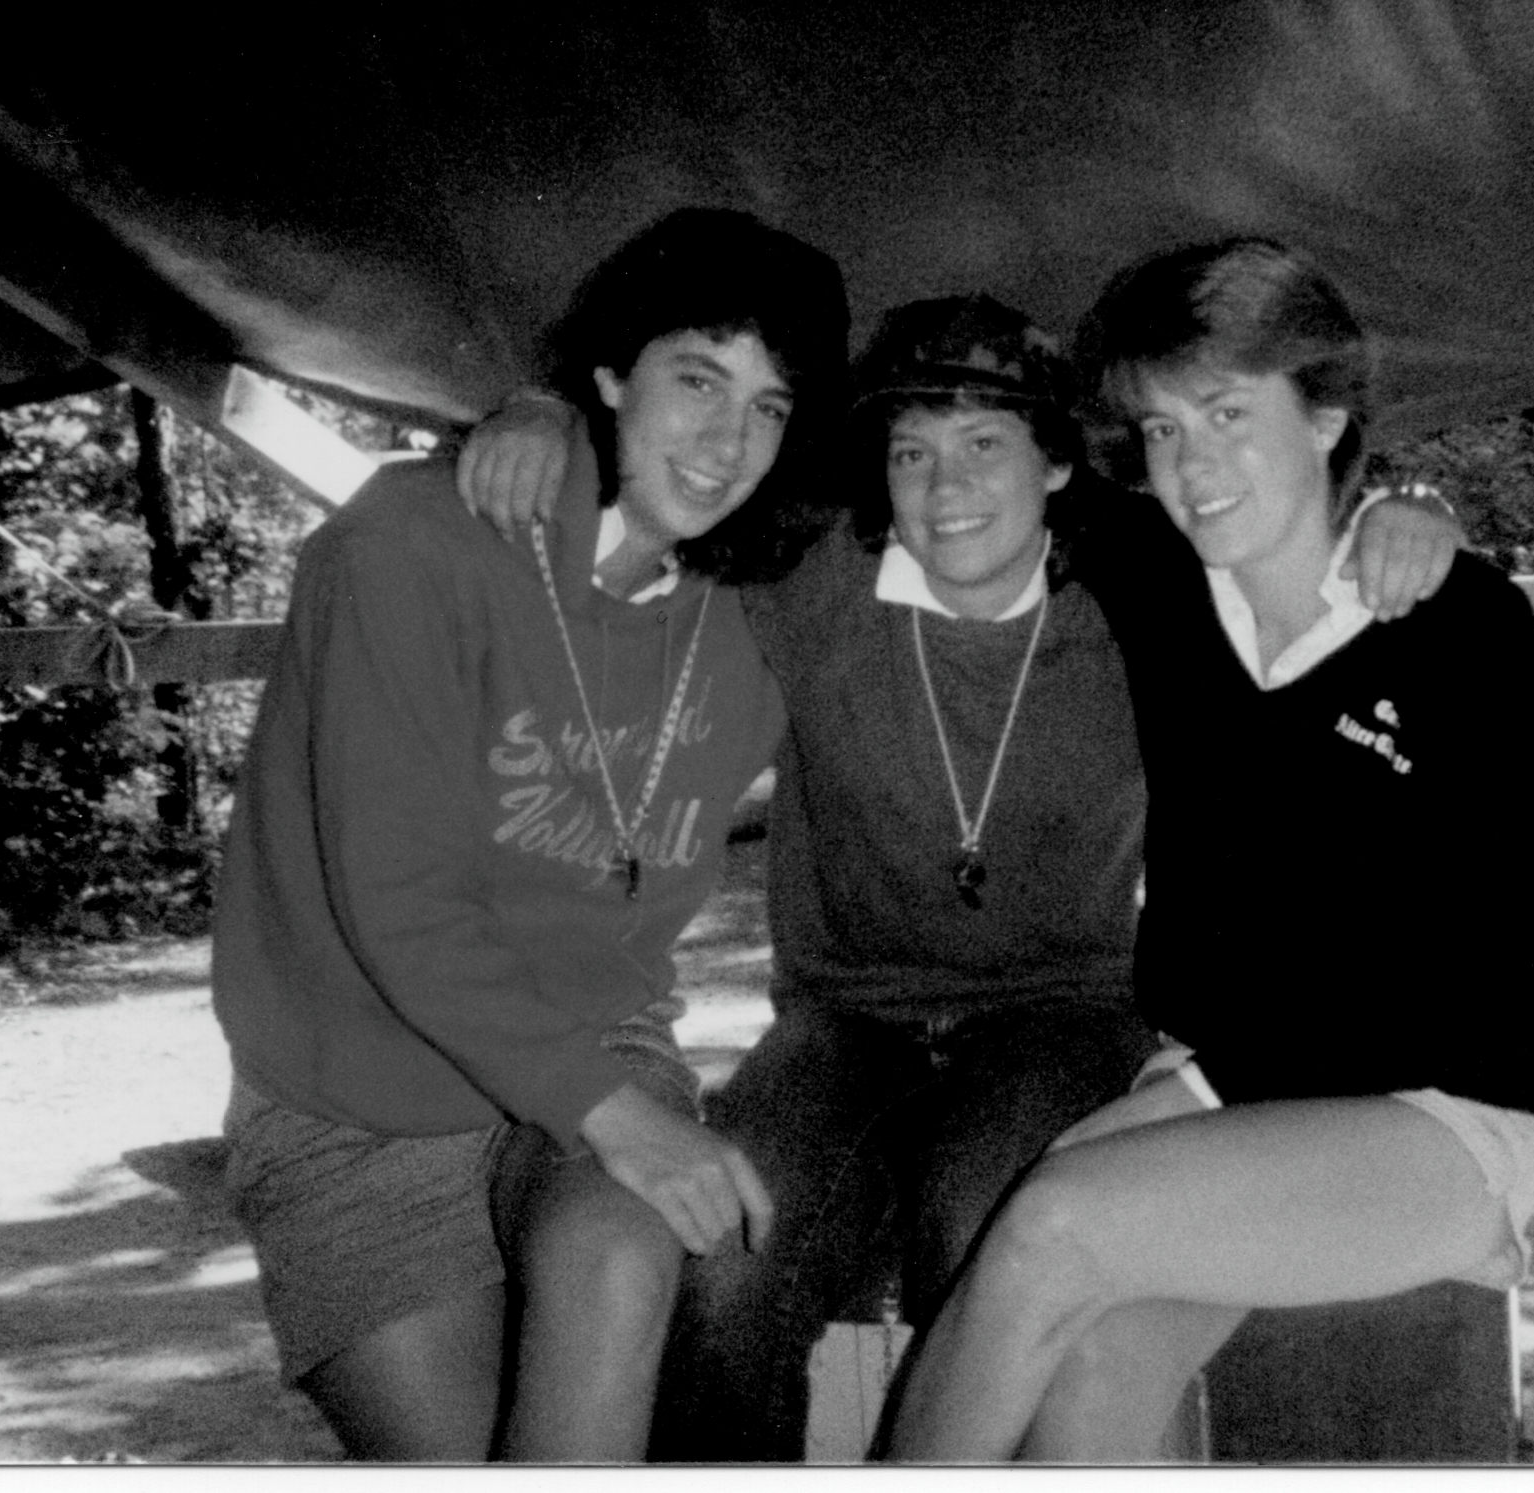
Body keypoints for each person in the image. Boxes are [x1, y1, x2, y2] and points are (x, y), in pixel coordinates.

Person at [458, 288, 1466, 1461]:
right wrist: (540, 410)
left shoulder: (1146, 594)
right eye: (912, 452)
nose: (946, 489)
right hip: (843, 1021)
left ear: (1053, 466)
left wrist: (1408, 505)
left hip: (1063, 1009)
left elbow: (1292, 521)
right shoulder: (813, 582)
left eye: (986, 444)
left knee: (987, 1239)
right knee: (725, 1268)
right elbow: (669, 469)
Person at [878, 236, 1534, 1462]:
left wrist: (1415, 507)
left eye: (1225, 412)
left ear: (1325, 415)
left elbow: (1497, 961)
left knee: (1051, 1223)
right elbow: (980, 446)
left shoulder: (1462, 633)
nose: (1192, 465)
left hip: (1439, 1113)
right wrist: (544, 417)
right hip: (1231, 1083)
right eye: (1160, 430)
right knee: (1088, 1341)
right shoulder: (1158, 572)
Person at [210, 207, 848, 1461]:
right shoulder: (405, 546)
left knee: (620, 1261)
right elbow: (397, 901)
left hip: (593, 1048)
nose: (727, 441)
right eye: (698, 378)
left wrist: (1353, 531)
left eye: (769, 406)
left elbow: (990, 536)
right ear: (611, 373)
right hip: (357, 1095)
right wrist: (529, 409)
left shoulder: (752, 614)